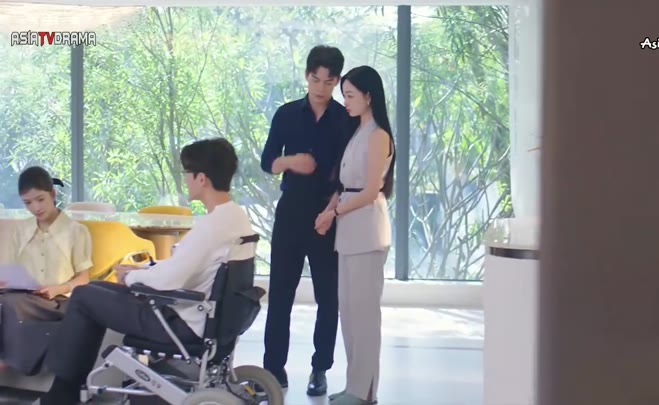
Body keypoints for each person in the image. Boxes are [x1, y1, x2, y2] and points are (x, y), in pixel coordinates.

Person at [36, 138, 255, 405]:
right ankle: (71, 386)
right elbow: (186, 267)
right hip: (205, 317)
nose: (185, 179)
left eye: (186, 172)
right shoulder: (235, 217)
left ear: (201, 178)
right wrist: (141, 270)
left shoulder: (211, 226)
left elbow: (169, 279)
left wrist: (131, 276)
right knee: (93, 289)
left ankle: (62, 393)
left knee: (83, 297)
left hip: (180, 323)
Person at [260, 44, 352, 396]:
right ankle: (273, 369)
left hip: (327, 214)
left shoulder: (345, 119)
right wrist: (291, 161)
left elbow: (347, 174)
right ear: (306, 76)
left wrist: (331, 211)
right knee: (280, 294)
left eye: (329, 82)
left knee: (328, 297)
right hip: (290, 212)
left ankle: (320, 368)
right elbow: (268, 161)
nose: (321, 88)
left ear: (337, 81)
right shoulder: (286, 114)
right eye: (315, 80)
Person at [314, 65, 396, 405]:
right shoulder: (357, 132)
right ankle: (355, 386)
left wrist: (334, 213)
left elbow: (370, 190)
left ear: (368, 96)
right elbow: (345, 185)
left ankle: (364, 391)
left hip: (367, 230)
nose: (345, 102)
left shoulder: (378, 135)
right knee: (348, 312)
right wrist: (328, 211)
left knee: (364, 316)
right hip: (349, 231)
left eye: (350, 95)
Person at [0, 166, 92, 375]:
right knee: (9, 300)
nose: (35, 208)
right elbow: (12, 271)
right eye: (28, 203)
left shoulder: (76, 231)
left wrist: (57, 288)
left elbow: (84, 278)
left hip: (57, 301)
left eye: (40, 199)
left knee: (10, 304)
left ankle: (9, 361)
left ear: (53, 193)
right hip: (24, 296)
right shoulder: (20, 230)